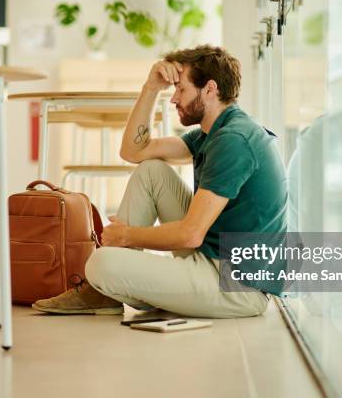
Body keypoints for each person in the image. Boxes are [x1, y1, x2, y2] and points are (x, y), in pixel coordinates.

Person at [32, 45, 287, 318]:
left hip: (238, 285)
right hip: (214, 255)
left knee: (101, 263)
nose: (174, 98)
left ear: (210, 89)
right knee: (152, 171)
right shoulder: (212, 132)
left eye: (182, 90)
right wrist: (151, 87)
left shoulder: (233, 140)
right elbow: (134, 151)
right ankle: (106, 291)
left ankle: (108, 285)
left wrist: (125, 235)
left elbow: (191, 234)